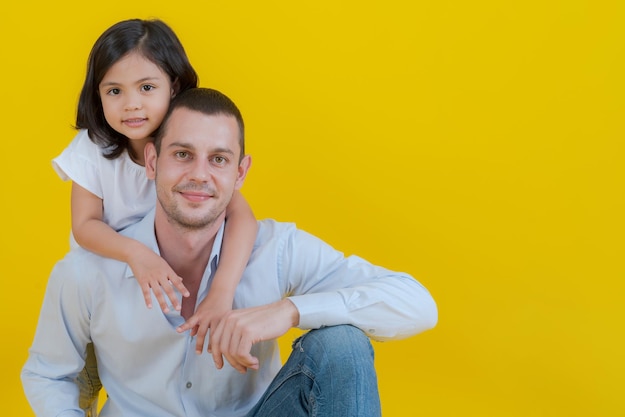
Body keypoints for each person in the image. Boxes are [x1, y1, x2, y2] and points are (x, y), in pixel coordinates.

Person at [22, 88, 438, 417]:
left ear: (240, 173)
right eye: (182, 154)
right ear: (152, 162)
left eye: (218, 159)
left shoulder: (276, 249)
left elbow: (417, 303)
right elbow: (48, 373)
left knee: (342, 345)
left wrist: (287, 312)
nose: (199, 175)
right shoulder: (86, 272)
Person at [52, 19, 258, 415]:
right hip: (107, 299)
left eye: (146, 88)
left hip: (162, 305)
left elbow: (243, 218)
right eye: (114, 91)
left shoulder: (185, 147)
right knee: (75, 388)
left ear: (175, 87)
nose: (131, 104)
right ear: (97, 97)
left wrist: (222, 291)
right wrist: (137, 255)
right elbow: (85, 226)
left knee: (156, 386)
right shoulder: (92, 149)